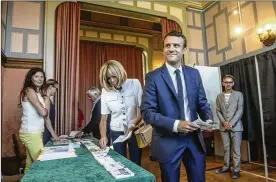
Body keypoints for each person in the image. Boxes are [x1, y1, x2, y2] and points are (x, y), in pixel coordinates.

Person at [140, 30, 213, 182]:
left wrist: (209, 120)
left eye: (176, 45)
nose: (171, 48)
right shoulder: (153, 77)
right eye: (168, 45)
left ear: (184, 50)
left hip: (194, 140)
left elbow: (202, 103)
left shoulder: (194, 74)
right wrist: (176, 124)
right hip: (167, 141)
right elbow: (147, 112)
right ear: (163, 49)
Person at [99, 60, 142, 166]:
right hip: (116, 132)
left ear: (120, 73)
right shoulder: (105, 91)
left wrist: (133, 125)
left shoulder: (134, 83)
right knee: (119, 163)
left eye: (114, 76)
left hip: (134, 130)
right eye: (108, 78)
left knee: (136, 163)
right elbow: (103, 120)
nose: (112, 80)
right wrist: (103, 136)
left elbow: (142, 111)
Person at [19, 68, 59, 173]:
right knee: (43, 165)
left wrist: (54, 134)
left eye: (42, 77)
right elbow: (43, 113)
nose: (40, 79)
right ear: (30, 78)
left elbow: (46, 118)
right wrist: (44, 108)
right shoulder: (29, 90)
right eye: (36, 76)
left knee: (30, 165)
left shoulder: (38, 94)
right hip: (30, 133)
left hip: (36, 132)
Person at [215, 75, 244, 179]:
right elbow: (217, 111)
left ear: (233, 83)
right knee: (226, 149)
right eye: (226, 82)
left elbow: (240, 110)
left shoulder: (239, 95)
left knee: (236, 149)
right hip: (223, 127)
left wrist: (231, 123)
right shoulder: (219, 96)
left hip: (236, 127)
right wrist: (223, 122)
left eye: (230, 82)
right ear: (223, 83)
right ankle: (226, 167)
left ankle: (236, 170)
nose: (228, 84)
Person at [43, 79, 59, 145]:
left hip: (47, 130)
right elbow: (46, 118)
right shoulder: (46, 99)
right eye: (56, 89)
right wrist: (54, 134)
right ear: (50, 87)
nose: (56, 91)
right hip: (45, 131)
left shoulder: (47, 99)